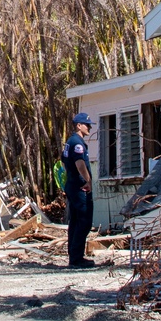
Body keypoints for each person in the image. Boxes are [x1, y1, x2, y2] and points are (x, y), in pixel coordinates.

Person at [61, 112, 95, 268]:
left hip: (72, 185)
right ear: (78, 125)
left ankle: (74, 256)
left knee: (74, 221)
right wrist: (87, 181)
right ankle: (77, 258)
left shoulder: (70, 142)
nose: (89, 127)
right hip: (79, 187)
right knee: (84, 221)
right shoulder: (77, 143)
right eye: (86, 125)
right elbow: (80, 165)